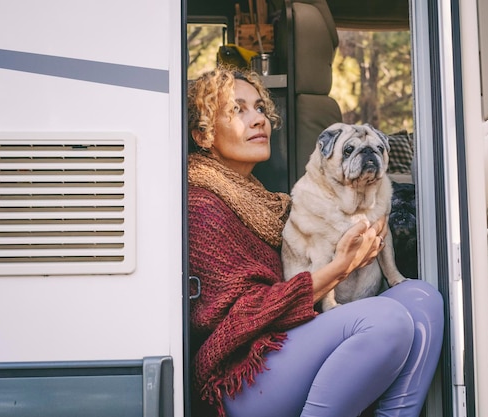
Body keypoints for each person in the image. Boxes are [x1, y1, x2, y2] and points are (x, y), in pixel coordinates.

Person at [187, 66, 444, 417]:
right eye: (238, 110)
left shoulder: (263, 201)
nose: (258, 120)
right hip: (243, 371)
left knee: (423, 299)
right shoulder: (204, 206)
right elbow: (245, 316)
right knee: (388, 320)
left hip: (289, 338)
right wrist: (341, 267)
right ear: (202, 135)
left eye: (260, 108)